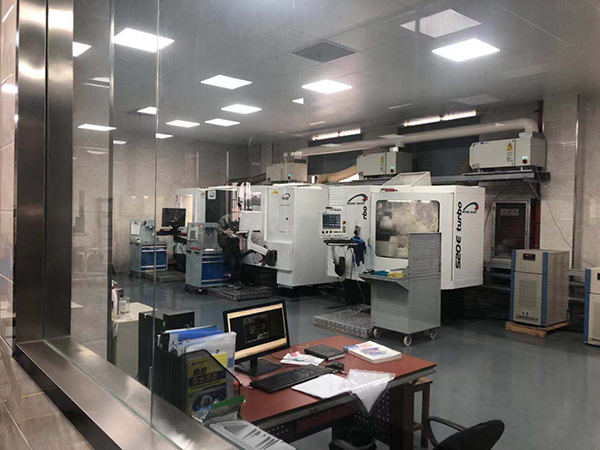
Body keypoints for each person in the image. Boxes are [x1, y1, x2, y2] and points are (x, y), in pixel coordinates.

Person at [217, 213, 242, 290]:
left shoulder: (239, 219)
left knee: (238, 261)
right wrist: (224, 232)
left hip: (234, 242)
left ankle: (237, 280)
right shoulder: (225, 219)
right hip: (226, 243)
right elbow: (218, 229)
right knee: (232, 262)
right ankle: (233, 281)